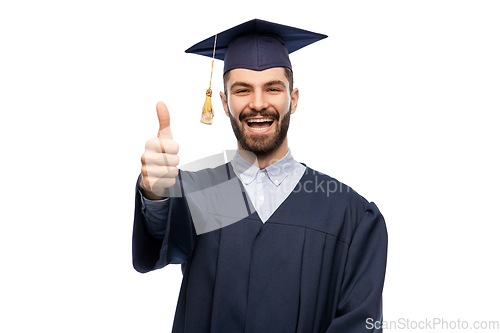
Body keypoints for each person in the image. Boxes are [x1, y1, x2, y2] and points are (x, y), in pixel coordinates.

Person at [133, 19, 388, 333]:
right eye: (243, 90)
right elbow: (163, 233)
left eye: (272, 88)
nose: (257, 103)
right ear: (225, 103)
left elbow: (360, 324)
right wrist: (155, 192)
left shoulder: (348, 214)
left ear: (292, 99)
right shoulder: (205, 194)